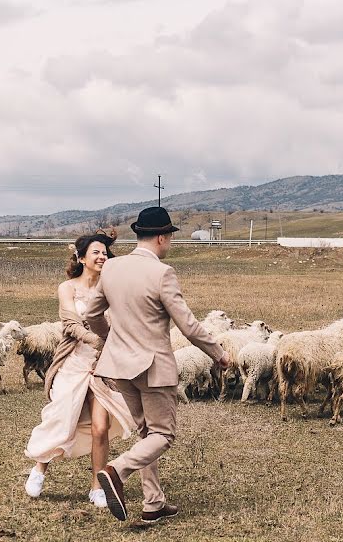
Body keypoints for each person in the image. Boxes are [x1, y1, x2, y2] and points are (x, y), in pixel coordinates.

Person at [83, 206, 230, 523]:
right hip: (152, 368)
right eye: (170, 238)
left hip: (119, 367)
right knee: (163, 435)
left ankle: (153, 503)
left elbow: (92, 315)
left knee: (146, 433)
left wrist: (112, 338)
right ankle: (116, 471)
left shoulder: (112, 269)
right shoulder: (162, 273)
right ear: (162, 237)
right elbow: (188, 326)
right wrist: (219, 353)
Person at [23, 230, 136, 507]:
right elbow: (71, 325)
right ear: (82, 257)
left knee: (100, 427)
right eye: (96, 252)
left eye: (105, 252)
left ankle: (97, 486)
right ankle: (40, 467)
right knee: (63, 418)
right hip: (75, 363)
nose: (102, 256)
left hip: (102, 368)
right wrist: (99, 340)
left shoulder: (112, 288)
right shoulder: (68, 288)